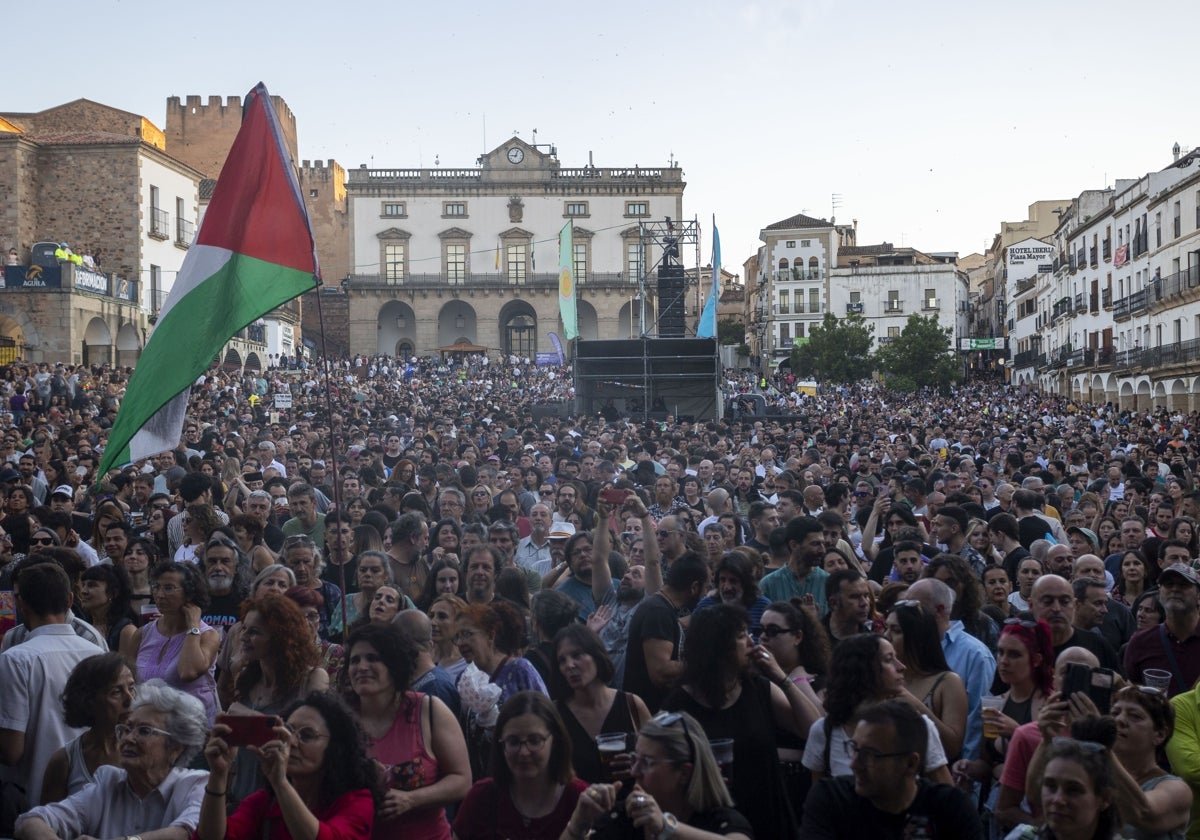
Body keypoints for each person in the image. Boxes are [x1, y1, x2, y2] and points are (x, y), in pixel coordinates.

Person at [662, 602, 822, 838]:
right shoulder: (680, 703)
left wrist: (781, 677)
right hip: (712, 823)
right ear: (718, 647)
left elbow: (813, 731)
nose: (751, 642)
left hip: (768, 817)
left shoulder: (758, 689)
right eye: (741, 636)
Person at [15, 679, 208, 840]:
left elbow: (188, 833)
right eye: (126, 729)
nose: (128, 739)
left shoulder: (194, 785)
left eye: (144, 731)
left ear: (175, 747)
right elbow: (32, 820)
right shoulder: (108, 783)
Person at [345, 622, 470, 840]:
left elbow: (462, 780)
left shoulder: (429, 711)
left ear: (395, 664)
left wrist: (412, 799)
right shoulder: (339, 720)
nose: (362, 666)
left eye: (373, 658)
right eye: (355, 660)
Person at [199, 691, 382, 840]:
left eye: (307, 735)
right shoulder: (265, 802)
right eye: (288, 731)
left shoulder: (357, 801)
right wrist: (218, 775)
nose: (292, 742)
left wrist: (281, 784)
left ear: (335, 748)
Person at [0, 562, 104, 822]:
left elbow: (11, 751)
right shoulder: (97, 652)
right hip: (91, 797)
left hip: (35, 805)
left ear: (22, 604)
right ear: (70, 600)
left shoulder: (17, 659)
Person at [800, 699, 983, 840]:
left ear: (910, 764)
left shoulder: (950, 808)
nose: (854, 764)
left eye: (869, 755)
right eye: (854, 749)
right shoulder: (831, 799)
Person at [565, 709, 754, 840]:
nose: (634, 772)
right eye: (634, 759)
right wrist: (578, 824)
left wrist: (665, 827)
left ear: (684, 773)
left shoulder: (719, 820)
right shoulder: (625, 818)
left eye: (646, 762)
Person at [802, 633, 953, 785]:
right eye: (888, 660)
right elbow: (820, 799)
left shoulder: (920, 728)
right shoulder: (824, 731)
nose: (901, 667)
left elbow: (946, 796)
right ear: (862, 670)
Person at [227, 595, 330, 805]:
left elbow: (306, 737)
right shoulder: (245, 679)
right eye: (244, 629)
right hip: (242, 797)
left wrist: (249, 717)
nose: (244, 637)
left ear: (279, 637)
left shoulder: (312, 679)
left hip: (286, 799)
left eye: (254, 631)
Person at [453, 691, 587, 840]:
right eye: (513, 742)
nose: (523, 752)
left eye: (535, 741)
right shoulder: (481, 798)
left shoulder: (580, 800)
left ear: (555, 742)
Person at [122, 560, 221, 725]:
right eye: (156, 587)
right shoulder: (142, 634)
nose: (160, 595)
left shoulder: (207, 635)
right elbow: (127, 681)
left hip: (194, 728)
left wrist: (193, 626)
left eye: (168, 588)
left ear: (189, 594)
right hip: (152, 728)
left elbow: (188, 672)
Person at [551, 624, 650, 784]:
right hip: (580, 806)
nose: (570, 665)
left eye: (577, 655)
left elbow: (659, 761)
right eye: (562, 660)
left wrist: (639, 764)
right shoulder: (555, 714)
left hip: (630, 804)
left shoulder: (632, 705)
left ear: (596, 655)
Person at [39, 652, 136, 803]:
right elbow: (49, 821)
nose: (130, 699)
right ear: (89, 701)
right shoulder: (65, 762)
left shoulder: (147, 749)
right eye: (116, 692)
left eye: (132, 688)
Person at [1009, 717, 1124, 840]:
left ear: (1104, 798)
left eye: (1073, 790)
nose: (1058, 800)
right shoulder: (1021, 837)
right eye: (1051, 786)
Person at [623, 552, 709, 713]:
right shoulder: (658, 613)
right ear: (694, 587)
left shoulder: (660, 608)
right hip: (652, 717)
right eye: (705, 588)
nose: (705, 595)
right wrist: (705, 662)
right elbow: (660, 672)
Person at [883, 600, 968, 761]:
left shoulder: (948, 682)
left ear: (917, 637)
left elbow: (952, 747)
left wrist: (914, 704)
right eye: (886, 628)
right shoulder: (883, 679)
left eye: (896, 630)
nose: (886, 636)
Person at [1125, 563, 1200, 696]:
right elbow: (1132, 689)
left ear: (1198, 595)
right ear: (1160, 593)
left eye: (1183, 585)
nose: (1175, 589)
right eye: (1168, 584)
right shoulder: (1141, 642)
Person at [77, 563, 139, 653]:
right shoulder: (81, 626)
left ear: (113, 593)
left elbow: (126, 666)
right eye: (83, 585)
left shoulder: (126, 631)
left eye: (91, 585)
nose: (84, 591)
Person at [428, 593, 468, 680]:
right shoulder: (422, 657)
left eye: (442, 617)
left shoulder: (468, 665)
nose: (433, 622)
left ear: (459, 623)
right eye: (431, 616)